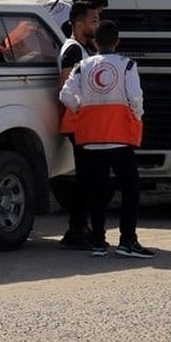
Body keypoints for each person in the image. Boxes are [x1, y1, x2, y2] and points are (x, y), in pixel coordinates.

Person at [58, 19, 153, 258]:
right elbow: (136, 98)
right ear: (117, 41)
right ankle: (127, 240)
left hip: (90, 138)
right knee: (130, 189)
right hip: (119, 138)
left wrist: (81, 110)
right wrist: (136, 117)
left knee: (96, 191)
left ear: (95, 42)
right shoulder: (127, 66)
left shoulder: (83, 66)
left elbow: (65, 95)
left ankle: (98, 241)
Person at [51, 1, 100, 249]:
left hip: (84, 122)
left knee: (87, 176)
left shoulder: (84, 48)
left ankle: (81, 227)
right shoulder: (73, 50)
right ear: (79, 24)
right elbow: (64, 87)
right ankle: (76, 229)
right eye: (93, 20)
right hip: (78, 122)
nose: (97, 24)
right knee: (86, 177)